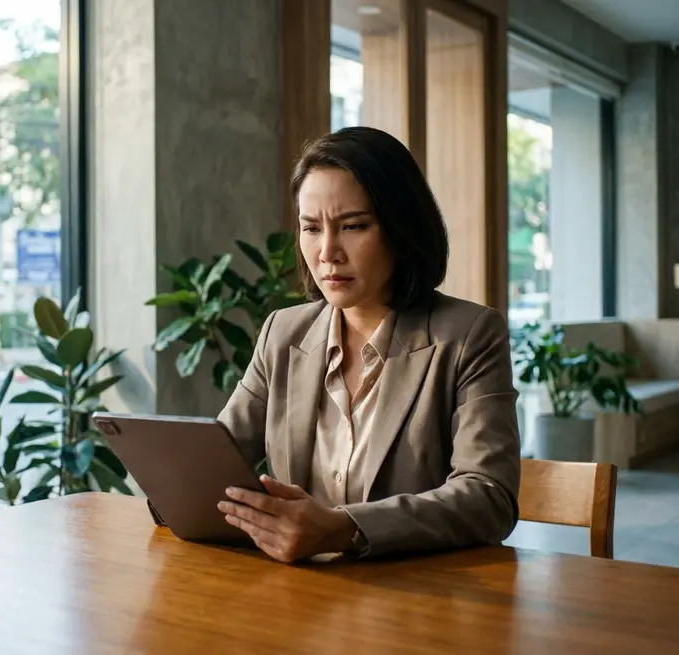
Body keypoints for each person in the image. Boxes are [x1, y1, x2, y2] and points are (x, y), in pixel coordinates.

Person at [216, 126, 521, 562]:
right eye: (311, 229)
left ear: (401, 228)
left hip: (416, 600)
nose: (327, 252)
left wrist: (344, 529)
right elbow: (218, 458)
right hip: (297, 599)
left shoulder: (470, 335)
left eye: (353, 226)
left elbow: (489, 497)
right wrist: (174, 487)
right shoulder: (282, 333)